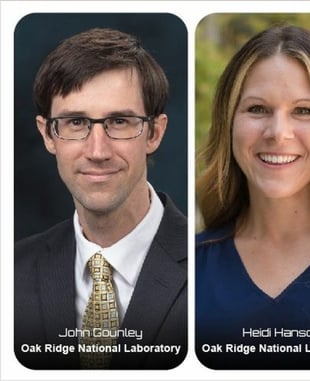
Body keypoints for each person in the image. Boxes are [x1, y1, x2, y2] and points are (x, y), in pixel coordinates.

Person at [196, 25, 310, 370]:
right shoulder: (185, 265)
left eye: (304, 111)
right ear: (229, 123)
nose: (278, 133)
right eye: (257, 109)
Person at [14, 28, 187, 370]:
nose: (97, 151)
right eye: (76, 122)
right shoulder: (12, 273)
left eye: (119, 121)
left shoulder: (208, 263)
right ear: (48, 134)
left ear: (154, 132)